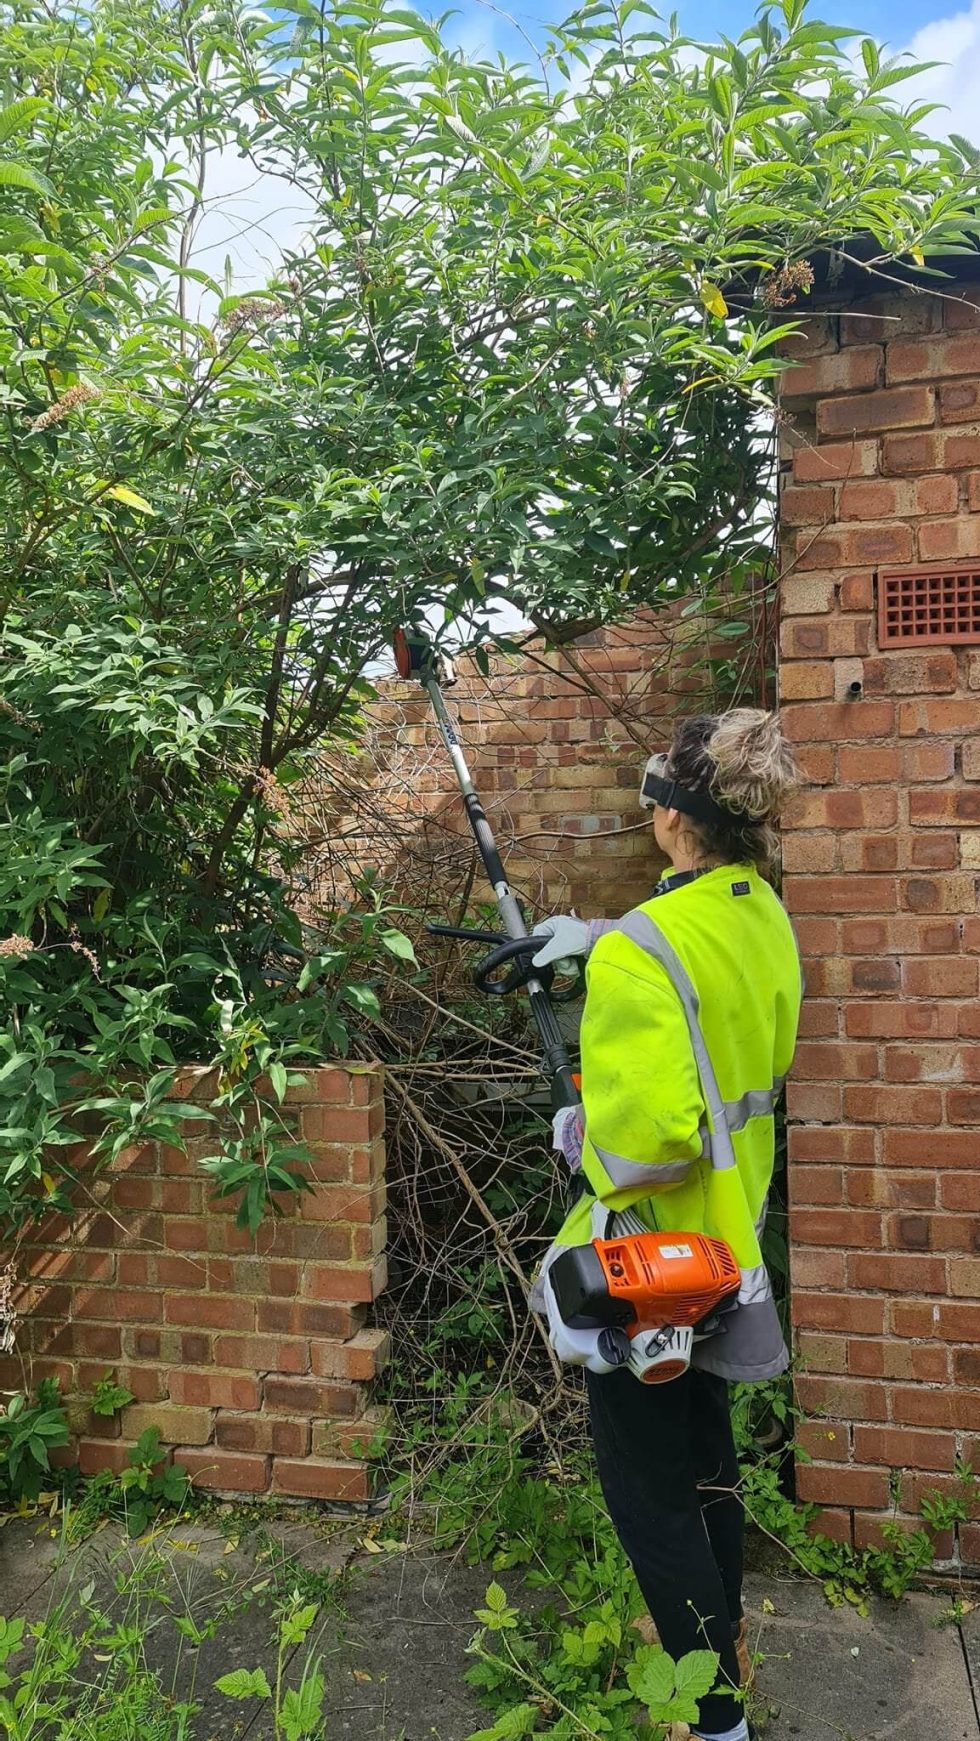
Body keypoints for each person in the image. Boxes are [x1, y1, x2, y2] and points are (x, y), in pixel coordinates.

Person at [530, 708, 802, 1741]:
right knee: (704, 1458)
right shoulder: (760, 910)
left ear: (669, 815)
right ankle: (719, 1640)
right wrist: (601, 941)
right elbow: (714, 984)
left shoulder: (641, 952)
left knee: (647, 1489)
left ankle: (714, 1717)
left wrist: (579, 1130)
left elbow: (645, 1146)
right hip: (730, 1238)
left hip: (652, 1260)